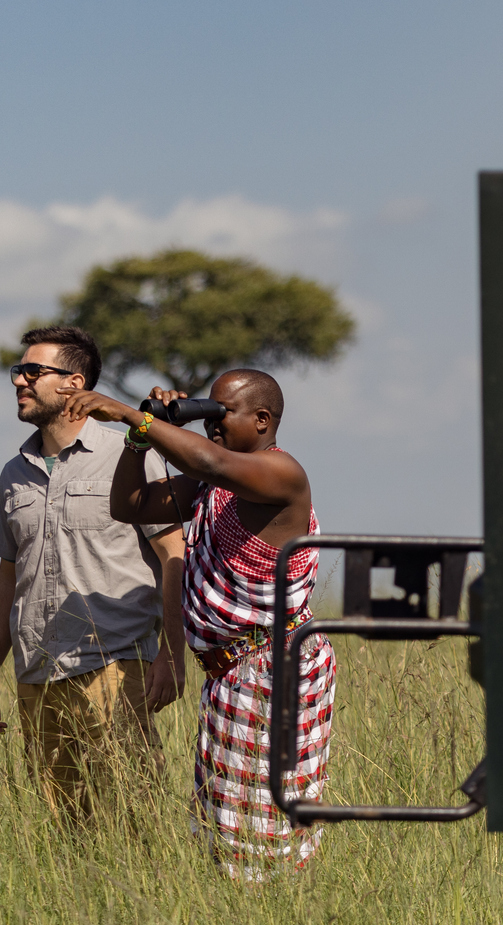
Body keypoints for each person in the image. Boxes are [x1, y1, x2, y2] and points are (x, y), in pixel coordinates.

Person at [62, 368, 333, 879]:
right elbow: (130, 506)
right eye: (205, 411)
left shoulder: (281, 474)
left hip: (270, 665)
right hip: (230, 670)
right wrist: (139, 442)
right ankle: (245, 924)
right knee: (226, 816)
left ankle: (267, 924)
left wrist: (129, 413)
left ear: (262, 420)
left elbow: (211, 460)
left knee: (260, 821)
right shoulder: (214, 487)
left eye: (221, 412)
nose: (211, 423)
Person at [0, 326, 189, 823]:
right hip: (37, 674)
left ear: (73, 383)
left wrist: (172, 656)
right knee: (67, 830)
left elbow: (172, 556)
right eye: (18, 372)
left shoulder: (131, 454)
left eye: (33, 372)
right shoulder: (14, 472)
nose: (19, 382)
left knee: (137, 822)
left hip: (115, 667)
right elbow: (9, 579)